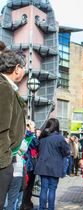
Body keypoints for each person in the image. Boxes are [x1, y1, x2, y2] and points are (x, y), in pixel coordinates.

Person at [0, 48, 26, 209]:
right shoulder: (4, 87)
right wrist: (5, 162)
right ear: (17, 68)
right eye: (23, 68)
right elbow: (2, 128)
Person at [34, 118, 70, 210]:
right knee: (52, 189)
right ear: (57, 126)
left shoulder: (42, 137)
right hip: (55, 167)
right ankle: (50, 208)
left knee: (43, 188)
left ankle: (41, 208)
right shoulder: (59, 138)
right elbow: (66, 152)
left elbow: (38, 150)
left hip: (42, 166)